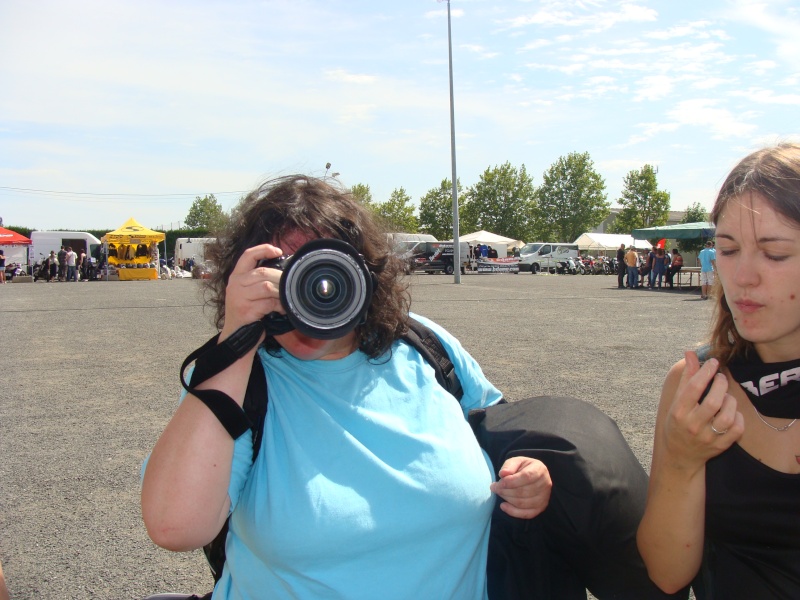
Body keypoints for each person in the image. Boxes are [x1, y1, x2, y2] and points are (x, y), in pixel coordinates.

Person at [141, 175, 551, 599]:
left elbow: (503, 432)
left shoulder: (425, 346)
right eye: (283, 268)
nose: (307, 288)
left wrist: (529, 474)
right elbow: (176, 526)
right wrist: (236, 341)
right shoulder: (235, 378)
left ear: (365, 273)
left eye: (324, 264)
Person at [637, 143, 800, 598]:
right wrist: (684, 462)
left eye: (775, 254)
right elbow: (666, 574)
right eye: (727, 249)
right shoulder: (695, 386)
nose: (742, 276)